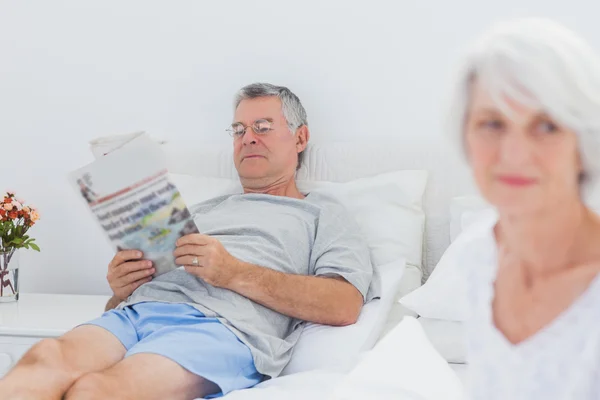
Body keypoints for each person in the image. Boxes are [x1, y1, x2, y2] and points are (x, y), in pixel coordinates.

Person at [0, 83, 377, 399]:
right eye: (238, 129)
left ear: (300, 137)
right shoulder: (199, 210)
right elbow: (124, 298)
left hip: (222, 329)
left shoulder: (322, 213)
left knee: (98, 390)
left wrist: (232, 272)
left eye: (262, 126)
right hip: (136, 314)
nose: (248, 139)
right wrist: (121, 289)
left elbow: (343, 305)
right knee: (44, 358)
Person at [449, 18, 600, 399]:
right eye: (492, 123)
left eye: (546, 126)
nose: (514, 155)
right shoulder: (476, 257)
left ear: (583, 144)